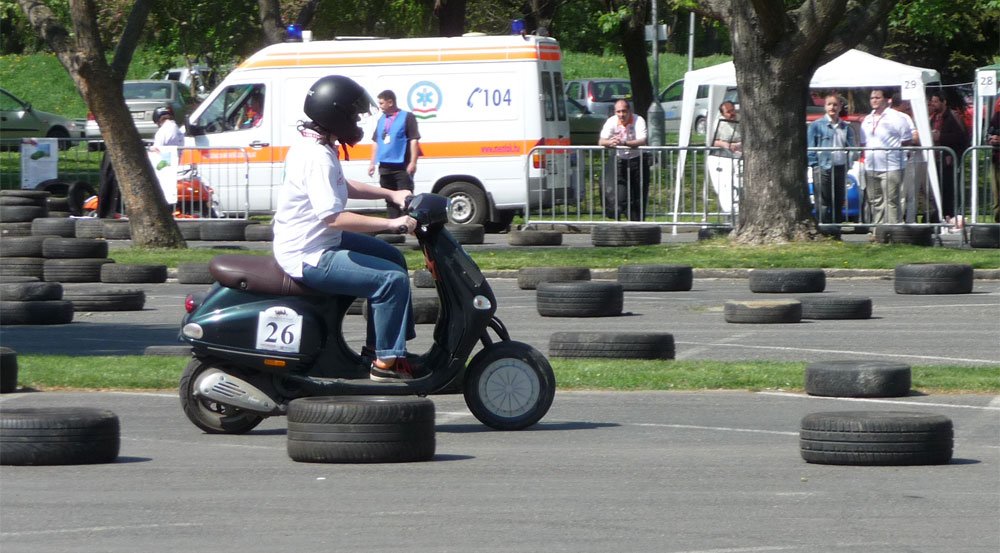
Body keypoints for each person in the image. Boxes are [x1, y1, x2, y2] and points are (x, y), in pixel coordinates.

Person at [272, 75, 424, 381]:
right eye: (353, 115)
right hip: (310, 254)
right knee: (391, 281)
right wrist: (392, 222)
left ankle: (380, 349)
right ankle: (387, 363)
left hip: (321, 241)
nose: (356, 122)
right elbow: (334, 217)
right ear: (335, 114)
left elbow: (340, 185)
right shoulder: (317, 156)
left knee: (394, 260)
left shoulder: (316, 144)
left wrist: (390, 193)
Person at [859, 88, 916, 225]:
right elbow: (862, 143)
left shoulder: (897, 118)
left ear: (886, 100)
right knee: (875, 201)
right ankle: (878, 232)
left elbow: (906, 141)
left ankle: (894, 232)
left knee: (891, 201)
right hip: (871, 167)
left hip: (892, 167)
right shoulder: (867, 119)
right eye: (872, 98)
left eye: (877, 97)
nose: (874, 100)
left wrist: (899, 156)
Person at [367, 89, 421, 219]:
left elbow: (414, 140)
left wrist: (413, 162)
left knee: (405, 198)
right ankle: (394, 228)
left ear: (390, 102)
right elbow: (376, 142)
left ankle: (408, 224)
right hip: (385, 167)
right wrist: (372, 163)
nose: (379, 107)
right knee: (389, 198)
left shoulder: (407, 117)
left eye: (381, 103)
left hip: (402, 166)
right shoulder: (381, 120)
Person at [807, 94, 856, 224]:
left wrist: (848, 164)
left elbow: (851, 147)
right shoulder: (816, 125)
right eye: (829, 104)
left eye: (835, 104)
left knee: (838, 199)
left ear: (840, 107)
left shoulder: (845, 127)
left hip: (840, 167)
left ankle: (836, 227)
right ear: (825, 106)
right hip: (823, 167)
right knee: (823, 199)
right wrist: (815, 165)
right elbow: (811, 147)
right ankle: (823, 226)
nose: (832, 107)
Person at [598, 99, 648, 221]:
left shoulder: (638, 120)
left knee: (638, 195)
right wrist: (610, 142)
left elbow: (642, 140)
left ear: (629, 111)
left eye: (624, 111)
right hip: (620, 161)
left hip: (638, 160)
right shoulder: (611, 121)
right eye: (618, 112)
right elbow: (601, 141)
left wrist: (625, 143)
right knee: (620, 195)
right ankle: (619, 221)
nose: (621, 115)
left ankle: (636, 223)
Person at [927, 91, 969, 226]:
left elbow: (962, 137)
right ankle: (939, 217)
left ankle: (951, 217)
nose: (933, 104)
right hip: (935, 161)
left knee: (949, 190)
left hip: (949, 161)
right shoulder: (932, 118)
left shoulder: (953, 116)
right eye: (932, 101)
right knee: (937, 190)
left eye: (935, 101)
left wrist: (941, 137)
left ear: (943, 102)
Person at [988, 99, 1000, 223]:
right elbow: (988, 132)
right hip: (996, 159)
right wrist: (991, 139)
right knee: (997, 198)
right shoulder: (997, 115)